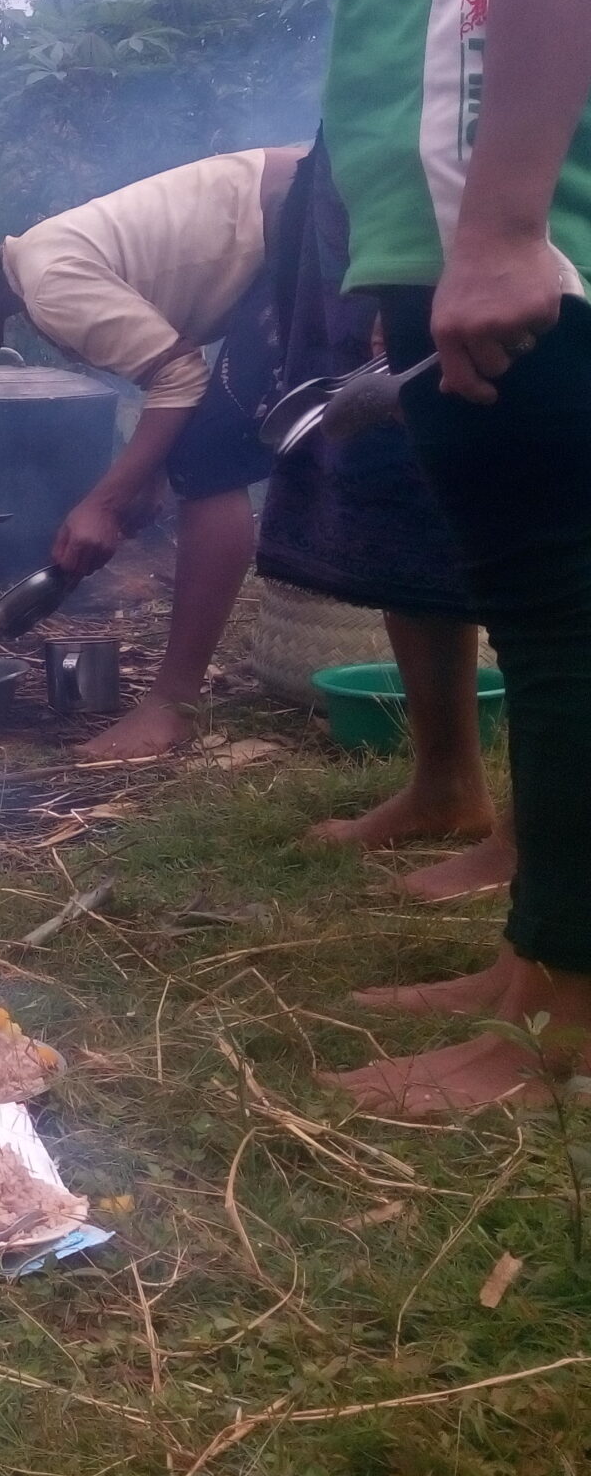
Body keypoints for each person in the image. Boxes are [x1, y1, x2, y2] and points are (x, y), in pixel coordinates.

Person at [312, 0, 591, 1111]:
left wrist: (499, 222)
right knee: (539, 619)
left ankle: (564, 1019)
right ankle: (532, 958)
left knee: (564, 616)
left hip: (521, 225)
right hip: (451, 222)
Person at [0, 148, 306, 761]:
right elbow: (170, 366)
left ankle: (171, 706)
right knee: (201, 454)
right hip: (297, 215)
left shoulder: (51, 287)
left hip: (300, 214)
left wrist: (106, 500)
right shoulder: (39, 268)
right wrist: (148, 475)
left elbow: (181, 375)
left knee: (209, 464)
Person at [260, 138, 514, 905]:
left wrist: (466, 256)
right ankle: (446, 784)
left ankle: (543, 831)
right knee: (405, 506)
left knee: (528, 520)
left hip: (471, 191)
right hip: (378, 199)